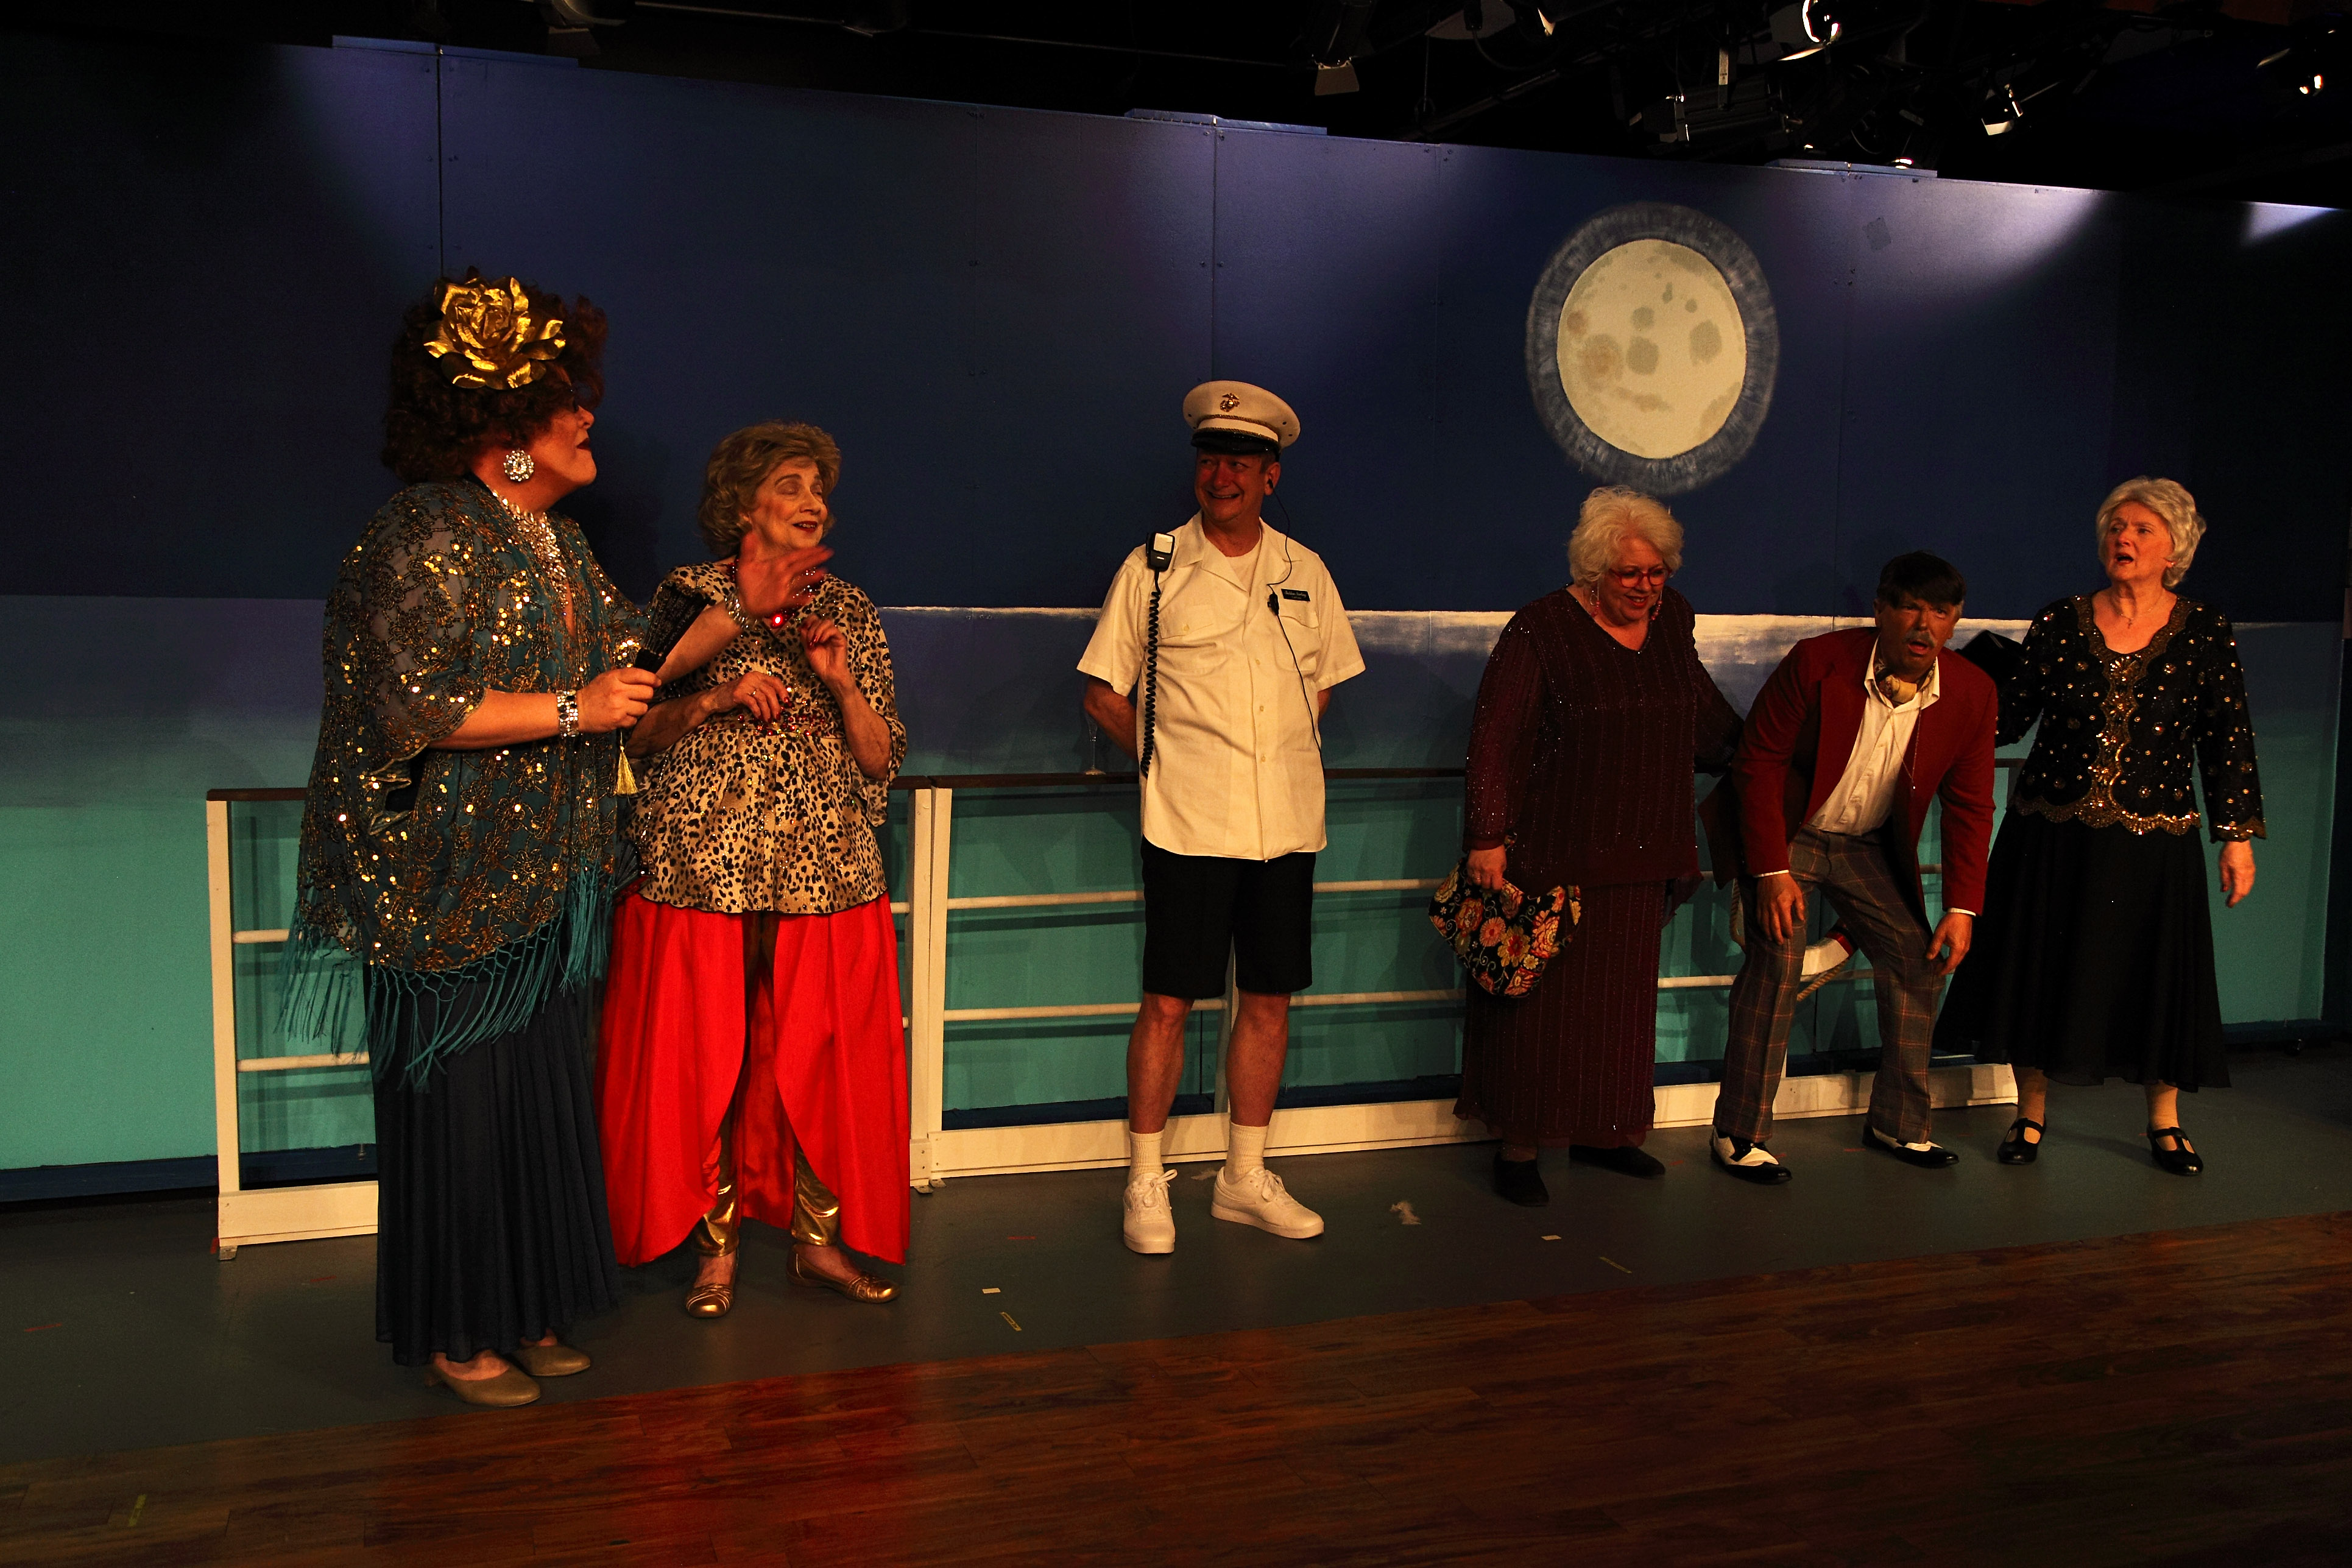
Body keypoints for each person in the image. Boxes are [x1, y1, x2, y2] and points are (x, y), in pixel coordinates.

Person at [287, 274, 655, 1408]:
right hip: (443, 889)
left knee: (538, 1103)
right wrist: (575, 708)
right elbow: (417, 702)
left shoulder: (557, 541)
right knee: (461, 1116)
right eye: (565, 402)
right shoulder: (422, 530)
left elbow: (628, 663)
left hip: (544, 878)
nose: (587, 417)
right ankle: (460, 1331)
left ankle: (530, 1304)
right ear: (505, 431)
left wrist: (735, 604)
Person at [597, 421, 909, 1316]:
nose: (813, 503)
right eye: (790, 485)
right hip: (702, 868)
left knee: (821, 1062)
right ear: (742, 505)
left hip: (826, 872)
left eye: (819, 488)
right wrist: (718, 695)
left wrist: (839, 682)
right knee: (711, 1062)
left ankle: (819, 1243)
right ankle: (716, 1248)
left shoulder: (850, 610)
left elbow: (882, 757)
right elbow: (631, 731)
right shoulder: (688, 597)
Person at [1078, 381, 1365, 1254]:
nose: (1222, 475)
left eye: (1241, 462)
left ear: (1270, 476)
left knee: (1268, 1000)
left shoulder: (1305, 571)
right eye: (1211, 459)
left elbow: (1322, 685)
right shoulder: (1154, 568)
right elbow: (1103, 693)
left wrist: (1271, 752)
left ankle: (1244, 1176)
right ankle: (1144, 1179)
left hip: (1286, 825)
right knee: (1169, 1001)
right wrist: (1169, 761)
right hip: (1188, 825)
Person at [1936, 478, 2260, 1175]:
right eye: (2117, 527)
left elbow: (2226, 737)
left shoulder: (2203, 631)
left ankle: (2165, 1123)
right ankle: (2029, 1114)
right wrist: (1937, 690)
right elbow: (2008, 715)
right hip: (2053, 833)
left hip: (2155, 839)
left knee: (2156, 977)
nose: (2124, 539)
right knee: (2040, 973)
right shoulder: (2061, 621)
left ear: (2175, 550)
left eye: (2142, 529)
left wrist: (2235, 836)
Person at [1455, 487, 1742, 1206]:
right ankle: (1520, 1147)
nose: (1645, 587)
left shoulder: (1672, 620)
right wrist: (1487, 836)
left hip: (1644, 853)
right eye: (1628, 573)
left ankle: (1606, 1133)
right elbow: (1495, 738)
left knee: (1619, 1013)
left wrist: (1757, 751)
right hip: (1554, 852)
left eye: (1656, 572)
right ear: (1592, 571)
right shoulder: (1541, 629)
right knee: (1538, 1016)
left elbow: (1697, 708)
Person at [1711, 552, 1996, 1182]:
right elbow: (1757, 763)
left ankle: (1898, 1124)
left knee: (1918, 960)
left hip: (1865, 846)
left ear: (1955, 621)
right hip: (1792, 834)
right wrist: (1770, 872)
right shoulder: (1818, 661)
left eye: (1940, 612)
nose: (1923, 625)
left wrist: (1961, 908)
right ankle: (1739, 1131)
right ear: (1880, 611)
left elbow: (1971, 806)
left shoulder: (1972, 692)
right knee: (1779, 958)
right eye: (1910, 608)